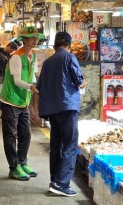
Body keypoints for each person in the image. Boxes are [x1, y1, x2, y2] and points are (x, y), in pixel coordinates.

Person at [36, 32, 86, 197]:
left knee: (56, 145)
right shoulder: (69, 57)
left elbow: (39, 86)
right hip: (67, 107)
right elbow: (79, 80)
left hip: (52, 110)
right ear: (69, 45)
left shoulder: (48, 62)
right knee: (70, 145)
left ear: (54, 46)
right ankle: (62, 184)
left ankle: (54, 181)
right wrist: (84, 82)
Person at [0, 26, 40, 181]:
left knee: (26, 134)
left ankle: (22, 163)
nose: (35, 40)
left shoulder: (33, 56)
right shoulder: (16, 57)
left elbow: (32, 77)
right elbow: (16, 80)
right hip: (10, 100)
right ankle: (14, 167)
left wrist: (37, 85)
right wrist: (31, 87)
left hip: (24, 100)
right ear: (24, 40)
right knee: (11, 136)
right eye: (32, 38)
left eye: (36, 37)